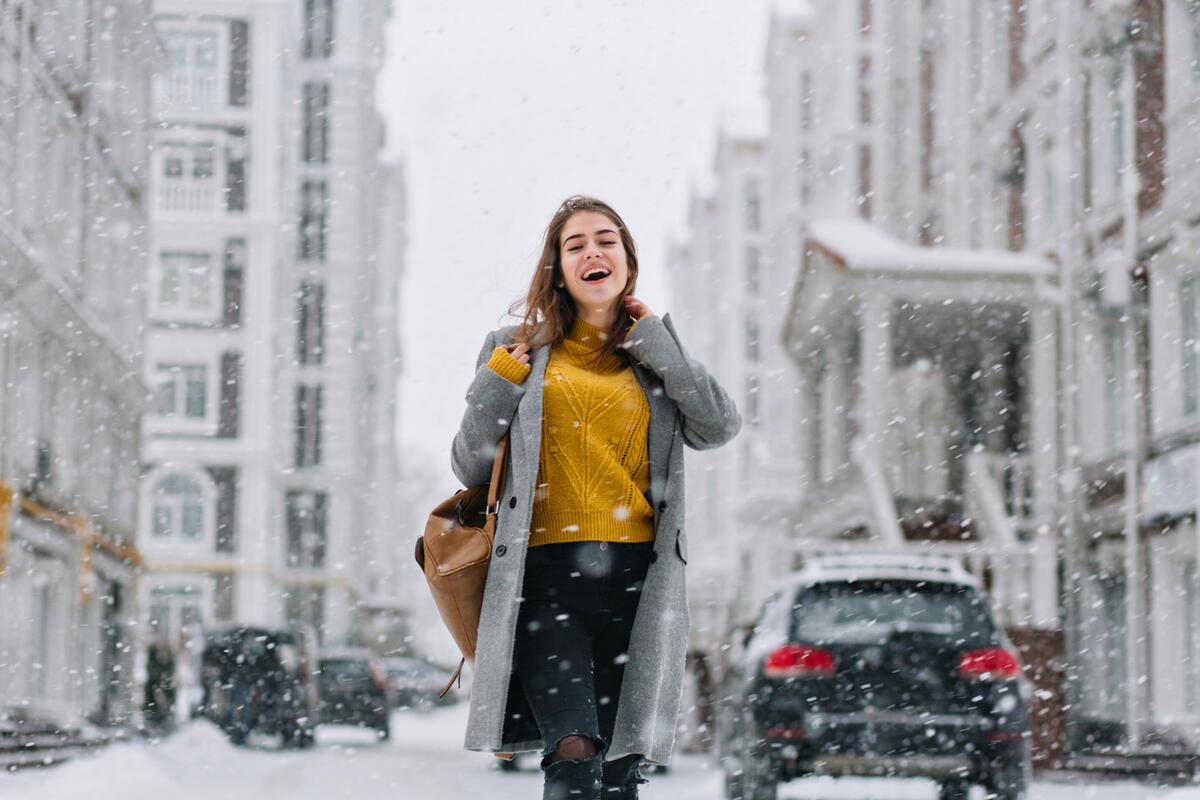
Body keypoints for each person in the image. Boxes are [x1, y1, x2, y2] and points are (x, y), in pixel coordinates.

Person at [451, 195, 740, 799]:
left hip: (638, 581)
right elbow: (469, 462)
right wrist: (498, 383)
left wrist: (659, 342)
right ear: (558, 269)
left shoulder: (653, 357)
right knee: (574, 751)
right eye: (575, 245)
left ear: (628, 263)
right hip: (546, 580)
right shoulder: (514, 351)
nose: (593, 253)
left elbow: (717, 426)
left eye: (606, 241)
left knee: (618, 769)